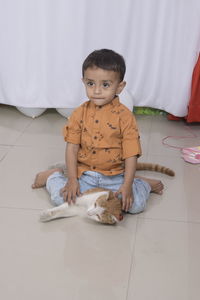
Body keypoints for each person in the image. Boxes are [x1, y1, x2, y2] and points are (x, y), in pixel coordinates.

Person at [32, 49, 164, 213]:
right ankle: (54, 176)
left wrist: (127, 185)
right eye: (90, 83)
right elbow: (72, 147)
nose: (96, 90)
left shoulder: (126, 117)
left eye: (106, 85)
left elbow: (131, 154)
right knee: (62, 199)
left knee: (135, 206)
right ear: (84, 82)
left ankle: (141, 184)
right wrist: (73, 180)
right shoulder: (79, 113)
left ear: (120, 87)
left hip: (116, 176)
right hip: (86, 175)